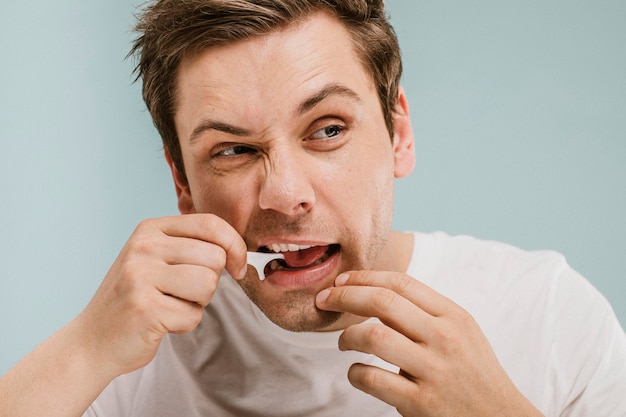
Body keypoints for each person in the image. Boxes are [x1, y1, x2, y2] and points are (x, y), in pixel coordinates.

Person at [1, 1, 625, 416]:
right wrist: (83, 351)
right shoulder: (132, 355)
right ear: (182, 184)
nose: (285, 194)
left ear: (398, 133)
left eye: (327, 130)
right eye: (234, 149)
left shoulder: (548, 316)